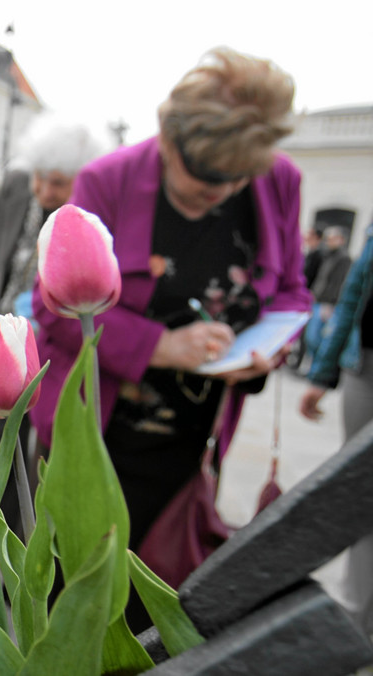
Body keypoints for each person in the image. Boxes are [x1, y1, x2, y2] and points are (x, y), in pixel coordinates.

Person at [31, 47, 310, 563]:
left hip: (197, 442)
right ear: (167, 134)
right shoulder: (106, 181)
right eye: (204, 179)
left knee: (163, 589)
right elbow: (53, 309)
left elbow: (292, 291)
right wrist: (164, 346)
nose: (219, 192)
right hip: (101, 432)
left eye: (235, 180)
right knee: (75, 587)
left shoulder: (279, 182)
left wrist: (263, 348)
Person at [0, 117, 104, 535]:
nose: (44, 192)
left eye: (58, 184)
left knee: (47, 444)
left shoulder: (88, 214)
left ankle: (40, 537)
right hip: (9, 327)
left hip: (57, 339)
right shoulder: (15, 188)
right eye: (40, 180)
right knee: (3, 435)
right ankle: (4, 532)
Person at [300, 223, 373, 636]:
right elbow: (353, 297)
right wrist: (321, 372)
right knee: (363, 492)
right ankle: (357, 617)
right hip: (365, 367)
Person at [302, 226, 353, 368]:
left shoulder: (344, 259)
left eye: (331, 239)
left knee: (316, 337)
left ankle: (317, 367)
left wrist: (330, 303)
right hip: (317, 300)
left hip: (326, 303)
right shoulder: (328, 256)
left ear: (341, 240)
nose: (328, 242)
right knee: (311, 336)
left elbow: (337, 284)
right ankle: (312, 365)